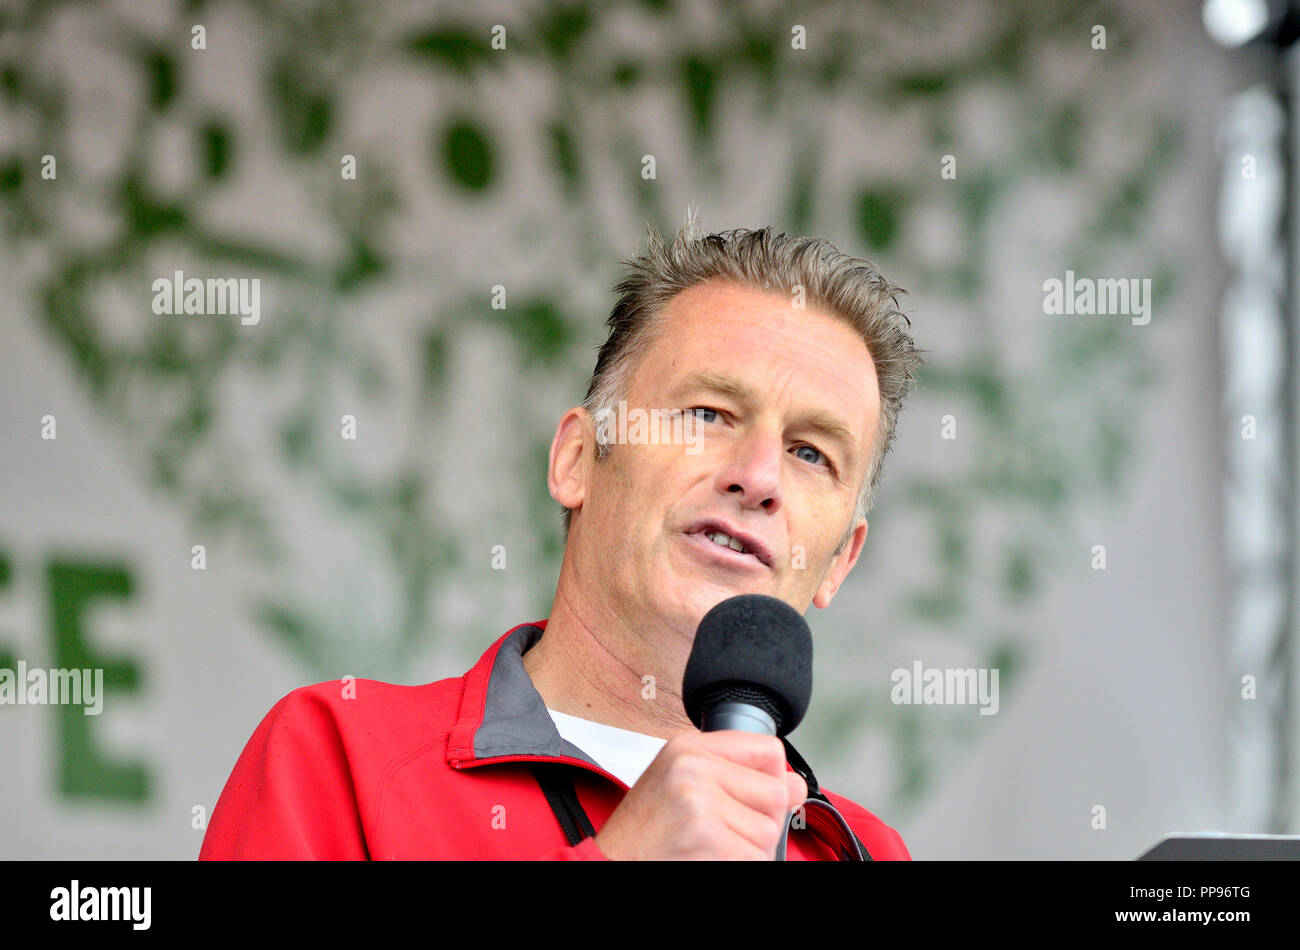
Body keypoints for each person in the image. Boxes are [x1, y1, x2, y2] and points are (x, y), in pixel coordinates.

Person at [199, 212, 924, 860]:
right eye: (708, 413)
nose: (758, 476)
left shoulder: (865, 853)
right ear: (577, 460)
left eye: (810, 454)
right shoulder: (337, 760)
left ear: (840, 561)